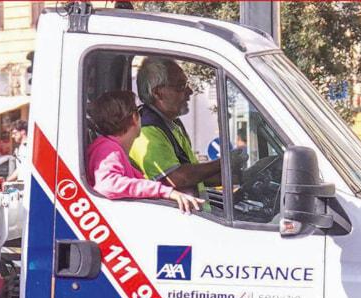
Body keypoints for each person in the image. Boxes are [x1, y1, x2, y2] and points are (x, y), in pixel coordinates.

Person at [129, 57, 247, 210]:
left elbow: (195, 176)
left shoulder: (172, 123)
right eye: (181, 86)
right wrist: (224, 162)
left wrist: (240, 177)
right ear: (158, 93)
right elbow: (177, 178)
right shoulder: (146, 130)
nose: (189, 91)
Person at [86, 91, 204, 213]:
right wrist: (165, 192)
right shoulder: (107, 149)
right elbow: (108, 184)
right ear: (134, 118)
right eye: (140, 111)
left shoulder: (111, 148)